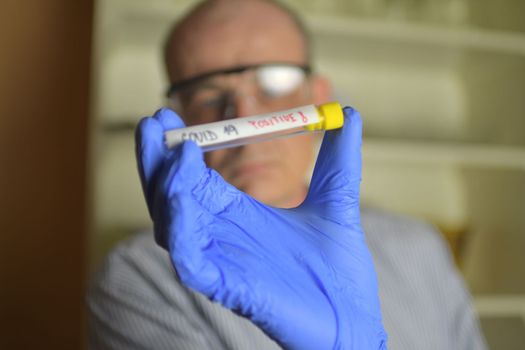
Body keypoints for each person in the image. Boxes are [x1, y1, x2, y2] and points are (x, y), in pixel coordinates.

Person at [88, 0, 487, 349]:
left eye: (275, 82)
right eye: (207, 95)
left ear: (319, 98)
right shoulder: (139, 277)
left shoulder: (418, 247)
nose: (245, 120)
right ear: (178, 114)